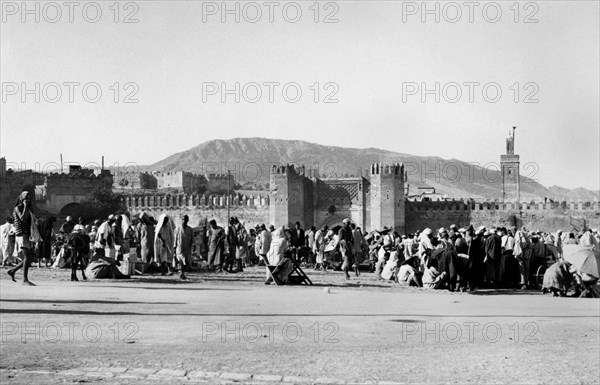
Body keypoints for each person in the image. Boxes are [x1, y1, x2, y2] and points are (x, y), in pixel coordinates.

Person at [7, 191, 37, 286]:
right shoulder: (18, 208)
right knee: (27, 257)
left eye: (28, 198)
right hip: (21, 234)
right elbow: (22, 218)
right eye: (25, 198)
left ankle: (13, 271)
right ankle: (25, 280)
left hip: (27, 234)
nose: (27, 200)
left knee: (29, 258)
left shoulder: (28, 209)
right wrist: (24, 206)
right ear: (21, 199)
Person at [174, 215, 194, 280]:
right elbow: (175, 238)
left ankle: (183, 273)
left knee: (187, 262)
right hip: (179, 248)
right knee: (180, 261)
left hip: (187, 248)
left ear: (187, 220)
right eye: (183, 219)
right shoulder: (178, 229)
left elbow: (192, 239)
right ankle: (181, 274)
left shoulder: (190, 229)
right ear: (182, 220)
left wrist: (193, 245)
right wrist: (174, 247)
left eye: (185, 220)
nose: (184, 221)